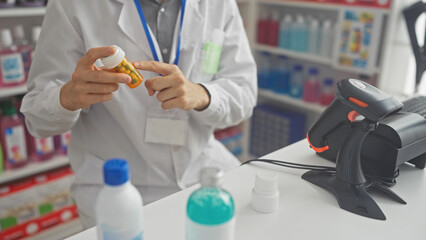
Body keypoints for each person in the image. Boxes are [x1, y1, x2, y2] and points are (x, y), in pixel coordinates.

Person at [21, 0, 257, 228]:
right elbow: (36, 118)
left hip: (200, 169)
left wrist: (202, 94)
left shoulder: (220, 4)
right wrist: (66, 98)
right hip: (116, 188)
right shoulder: (73, 4)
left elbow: (245, 95)